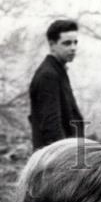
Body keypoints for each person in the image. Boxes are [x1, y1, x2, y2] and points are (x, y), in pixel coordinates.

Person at [28, 18, 84, 150]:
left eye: (75, 42)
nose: (73, 48)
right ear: (52, 44)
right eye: (67, 43)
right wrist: (66, 158)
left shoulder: (57, 71)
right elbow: (51, 126)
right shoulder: (48, 75)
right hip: (56, 159)